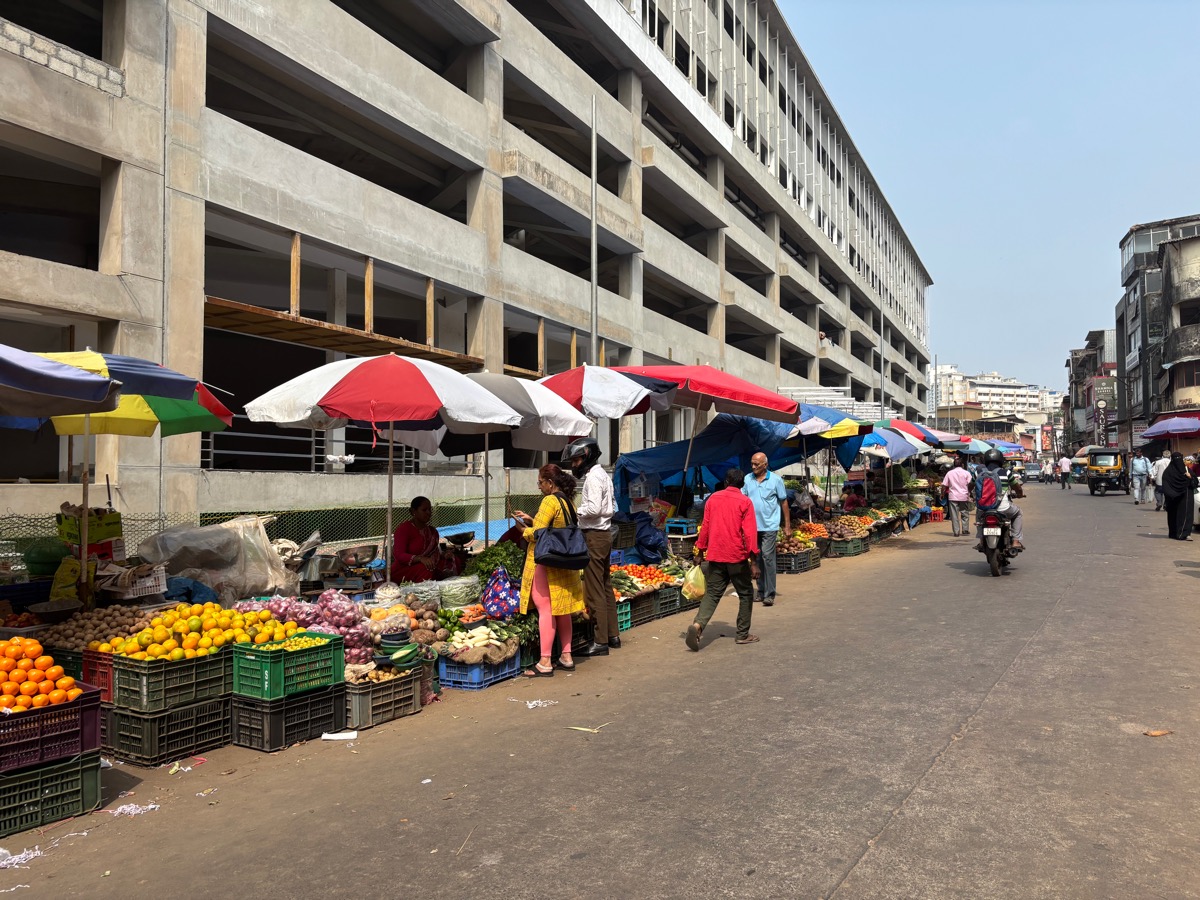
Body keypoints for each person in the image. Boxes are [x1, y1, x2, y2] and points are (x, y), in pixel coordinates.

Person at [511, 465, 587, 677]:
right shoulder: (568, 502)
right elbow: (556, 529)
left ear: (550, 483)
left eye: (540, 482)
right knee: (562, 610)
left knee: (546, 609)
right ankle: (566, 655)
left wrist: (524, 530)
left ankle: (544, 661)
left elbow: (538, 534)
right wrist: (532, 519)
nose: (539, 487)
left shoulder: (549, 501)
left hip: (546, 563)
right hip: (565, 561)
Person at [685, 468, 759, 651]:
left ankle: (698, 625)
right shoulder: (745, 502)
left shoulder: (714, 499)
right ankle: (742, 634)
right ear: (742, 485)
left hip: (716, 555)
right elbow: (750, 534)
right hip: (736, 556)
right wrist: (754, 561)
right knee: (746, 594)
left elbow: (706, 527)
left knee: (712, 593)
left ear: (726, 482)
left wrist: (699, 552)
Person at [562, 437, 619, 657]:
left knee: (594, 589)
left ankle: (600, 641)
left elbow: (594, 508)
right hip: (603, 535)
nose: (574, 465)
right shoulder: (603, 475)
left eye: (576, 460)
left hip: (594, 536)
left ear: (586, 457)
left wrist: (576, 512)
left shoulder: (593, 479)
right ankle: (613, 635)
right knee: (605, 587)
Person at [743, 452, 789, 606]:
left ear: (765, 465)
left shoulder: (776, 480)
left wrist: (787, 525)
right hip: (752, 526)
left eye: (757, 464)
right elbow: (742, 500)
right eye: (752, 463)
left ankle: (770, 593)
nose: (753, 467)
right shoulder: (747, 479)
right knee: (756, 558)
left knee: (768, 558)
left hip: (770, 526)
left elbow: (784, 502)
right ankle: (761, 591)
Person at [390, 496, 454, 583]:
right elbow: (399, 555)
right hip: (404, 569)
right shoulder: (404, 529)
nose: (428, 513)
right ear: (413, 511)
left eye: (430, 510)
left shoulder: (432, 531)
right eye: (424, 510)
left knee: (453, 561)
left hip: (427, 566)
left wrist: (444, 555)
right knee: (426, 569)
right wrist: (420, 559)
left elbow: (434, 554)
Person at [975, 448, 1025, 551]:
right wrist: (1020, 494)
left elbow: (970, 486)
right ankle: (1015, 541)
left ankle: (981, 541)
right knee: (1018, 513)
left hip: (984, 509)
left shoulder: (978, 472)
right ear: (1001, 460)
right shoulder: (1006, 472)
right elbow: (1017, 487)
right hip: (1004, 508)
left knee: (979, 518)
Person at [1161, 452, 1197, 541]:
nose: (1178, 461)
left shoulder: (1187, 471)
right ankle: (1174, 533)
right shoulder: (1168, 472)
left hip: (1186, 497)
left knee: (1186, 514)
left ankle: (1185, 533)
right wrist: (1172, 494)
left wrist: (1190, 477)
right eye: (1176, 459)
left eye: (1179, 459)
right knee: (1174, 515)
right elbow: (1166, 486)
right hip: (1173, 499)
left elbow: (1195, 482)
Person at [941, 457, 973, 537]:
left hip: (953, 496)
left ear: (954, 465)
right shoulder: (966, 473)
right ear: (962, 465)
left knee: (954, 515)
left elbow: (944, 485)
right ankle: (965, 530)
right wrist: (969, 492)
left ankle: (956, 531)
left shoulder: (949, 473)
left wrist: (942, 494)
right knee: (965, 512)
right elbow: (971, 484)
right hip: (963, 496)